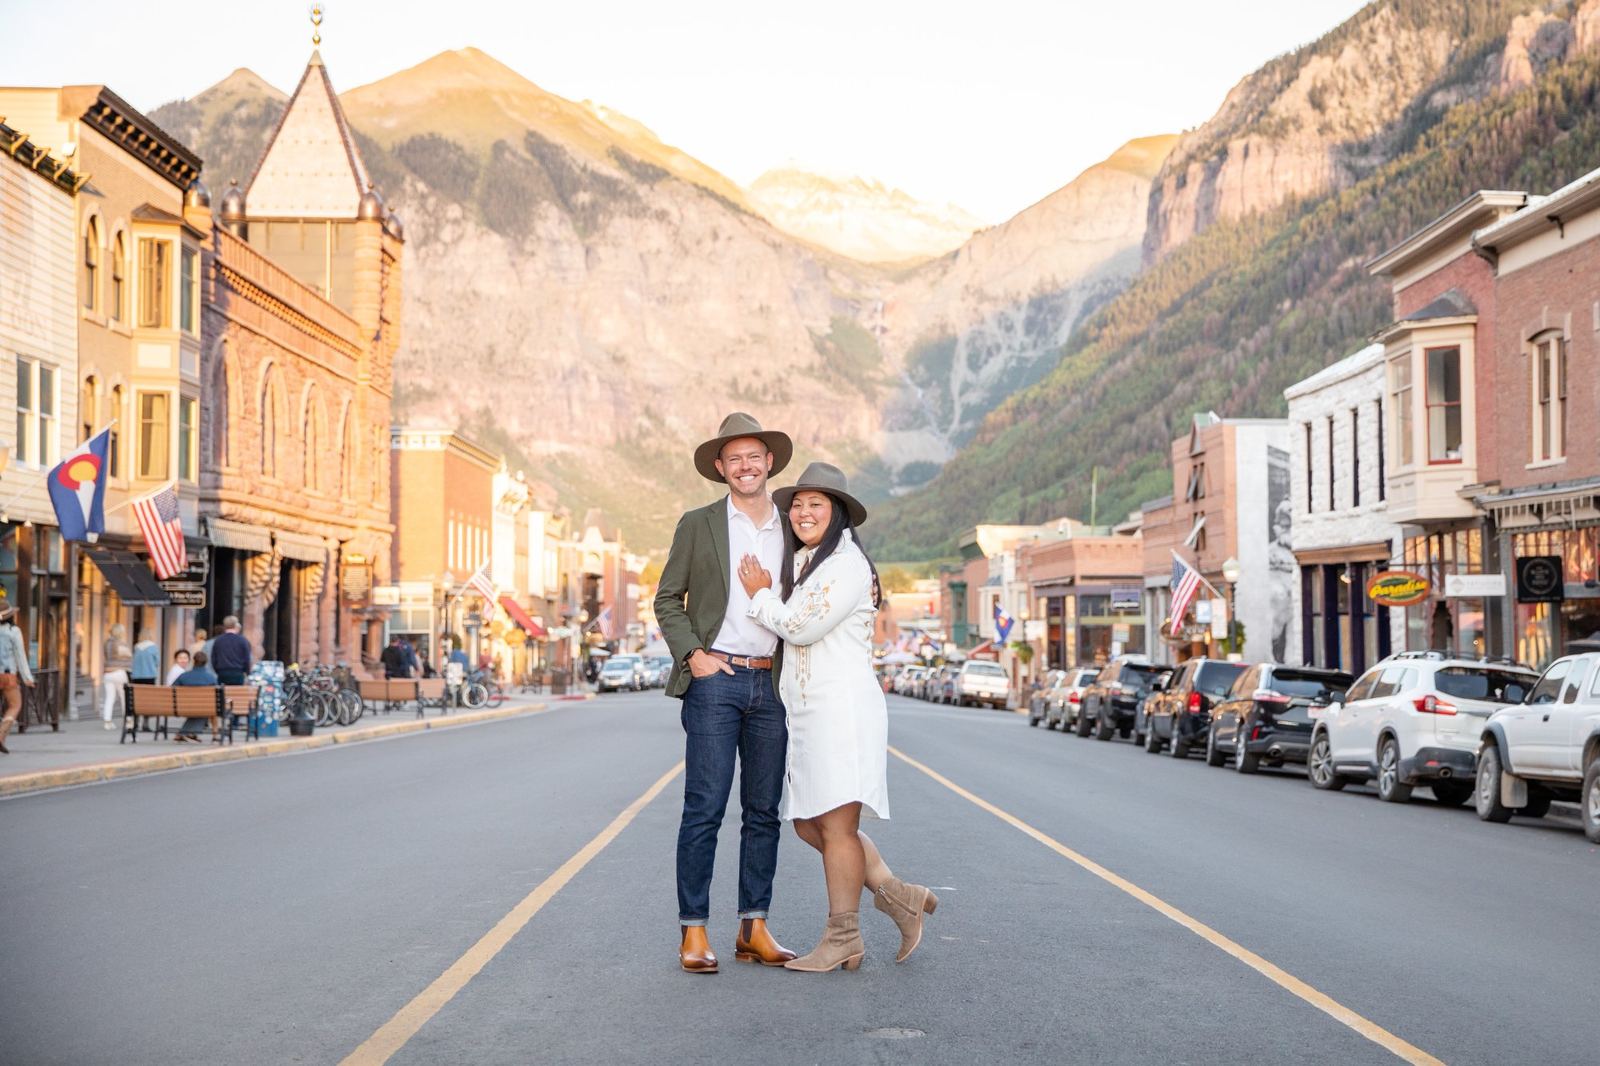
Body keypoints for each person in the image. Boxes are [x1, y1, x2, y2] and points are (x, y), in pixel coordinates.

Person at [739, 462, 937, 972]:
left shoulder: (845, 565)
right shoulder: (811, 563)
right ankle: (897, 896)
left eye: (816, 505)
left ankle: (843, 936)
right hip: (810, 715)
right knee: (809, 824)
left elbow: (800, 628)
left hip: (841, 711)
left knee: (838, 827)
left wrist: (760, 594)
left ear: (840, 513)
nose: (803, 513)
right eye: (798, 505)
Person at [654, 412, 796, 974]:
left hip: (774, 682)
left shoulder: (793, 524)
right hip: (717, 682)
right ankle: (694, 932)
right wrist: (695, 656)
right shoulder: (699, 523)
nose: (745, 465)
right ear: (720, 467)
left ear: (769, 463)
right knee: (704, 809)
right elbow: (668, 598)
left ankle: (753, 926)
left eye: (753, 456)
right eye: (733, 458)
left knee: (764, 812)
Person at [0, 604, 35, 754]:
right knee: (15, 705)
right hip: (8, 675)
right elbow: (20, 655)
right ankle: (1, 735)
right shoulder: (14, 631)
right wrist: (28, 677)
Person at [173, 650, 220, 742]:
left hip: (183, 707)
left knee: (199, 707)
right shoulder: (211, 678)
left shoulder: (184, 676)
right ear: (206, 663)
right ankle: (215, 735)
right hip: (205, 708)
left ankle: (186, 733)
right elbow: (216, 696)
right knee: (211, 708)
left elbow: (172, 689)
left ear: (193, 661)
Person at [102, 623, 133, 730]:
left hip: (107, 673)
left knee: (109, 697)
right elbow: (129, 655)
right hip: (119, 672)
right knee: (124, 697)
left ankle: (107, 721)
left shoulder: (106, 643)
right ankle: (128, 720)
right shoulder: (121, 643)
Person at [209, 616, 252, 686]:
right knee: (237, 695)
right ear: (235, 625)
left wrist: (218, 671)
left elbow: (213, 658)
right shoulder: (242, 640)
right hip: (238, 673)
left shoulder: (218, 640)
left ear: (224, 626)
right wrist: (247, 672)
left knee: (223, 695)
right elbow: (247, 659)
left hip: (222, 673)